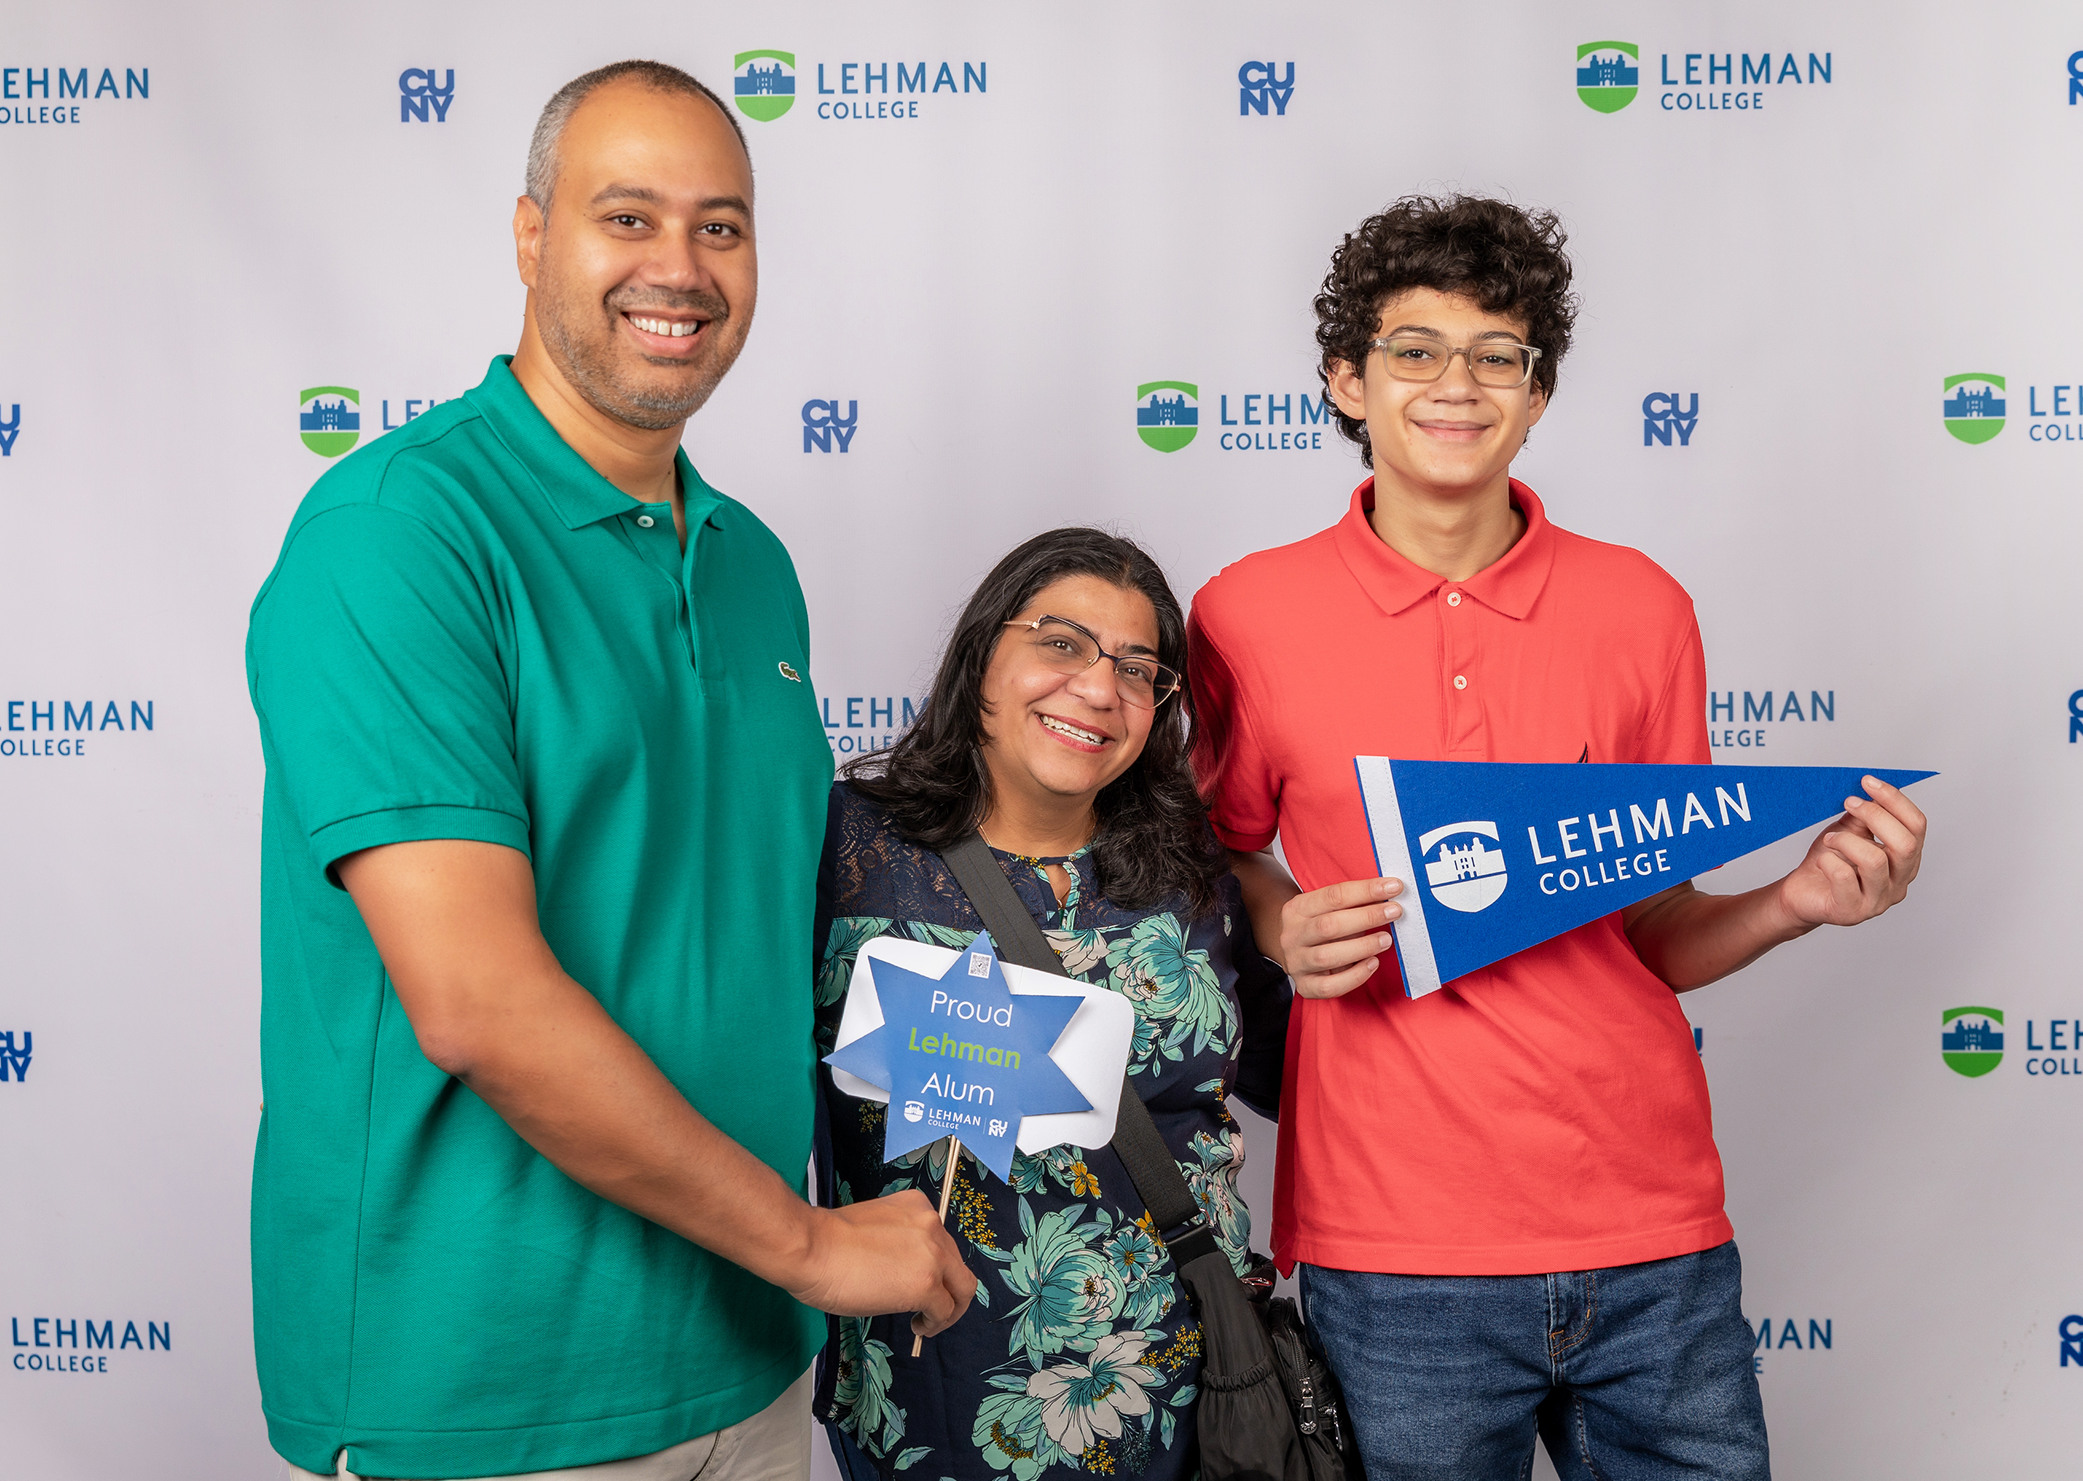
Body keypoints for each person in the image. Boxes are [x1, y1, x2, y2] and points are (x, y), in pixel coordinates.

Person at [246, 60, 970, 1481]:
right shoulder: (398, 535)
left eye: (720, 226)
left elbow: (733, 926)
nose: (678, 269)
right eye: (625, 217)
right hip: (483, 1389)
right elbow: (480, 1005)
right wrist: (813, 1244)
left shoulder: (751, 561)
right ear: (530, 239)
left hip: (745, 1354)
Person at [1188, 196, 1928, 1481]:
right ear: (1346, 382)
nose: (1456, 384)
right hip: (1393, 1245)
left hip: (1654, 1237)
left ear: (1536, 397)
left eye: (1498, 355)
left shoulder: (1641, 608)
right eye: (1414, 350)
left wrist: (1797, 899)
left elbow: (1654, 928)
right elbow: (1221, 851)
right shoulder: (1245, 613)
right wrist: (1274, 917)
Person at [811, 528, 1291, 1481]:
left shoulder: (1199, 873)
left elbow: (1302, 1077)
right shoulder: (842, 849)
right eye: (1060, 642)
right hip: (928, 1386)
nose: (1098, 686)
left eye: (1138, 666)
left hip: (1185, 1393)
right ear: (981, 654)